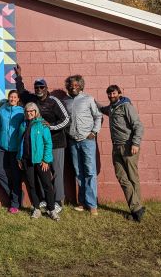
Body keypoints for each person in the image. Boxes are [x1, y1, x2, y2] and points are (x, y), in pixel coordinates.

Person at [14, 64, 70, 214]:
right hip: (38, 143)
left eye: (41, 87)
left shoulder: (54, 101)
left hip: (56, 142)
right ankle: (46, 199)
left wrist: (50, 126)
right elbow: (21, 92)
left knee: (56, 172)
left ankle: (58, 201)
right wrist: (19, 76)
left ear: (46, 88)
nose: (38, 89)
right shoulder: (33, 99)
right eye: (36, 87)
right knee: (41, 173)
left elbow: (66, 120)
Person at [100, 85, 146, 222]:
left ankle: (136, 210)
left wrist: (136, 143)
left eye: (113, 93)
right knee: (121, 176)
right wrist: (90, 100)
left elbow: (138, 125)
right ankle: (138, 207)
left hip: (128, 146)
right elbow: (102, 109)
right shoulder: (112, 108)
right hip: (116, 147)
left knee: (132, 177)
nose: (111, 96)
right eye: (109, 94)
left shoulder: (126, 106)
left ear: (119, 93)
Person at [63, 75, 102, 216]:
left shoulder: (88, 99)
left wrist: (94, 132)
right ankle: (82, 202)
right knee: (78, 172)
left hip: (87, 140)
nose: (73, 87)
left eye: (76, 85)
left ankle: (92, 205)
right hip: (73, 141)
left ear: (80, 86)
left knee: (90, 172)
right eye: (71, 85)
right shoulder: (65, 101)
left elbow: (98, 116)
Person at [16, 103, 59, 220]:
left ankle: (51, 209)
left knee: (47, 185)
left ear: (36, 112)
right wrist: (19, 158)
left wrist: (46, 160)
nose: (29, 113)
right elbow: (19, 143)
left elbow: (48, 143)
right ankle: (36, 208)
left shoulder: (42, 124)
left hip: (41, 161)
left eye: (31, 111)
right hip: (26, 160)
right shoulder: (22, 125)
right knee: (31, 185)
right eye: (27, 111)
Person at [0, 90, 25, 213]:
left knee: (16, 176)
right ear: (8, 98)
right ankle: (16, 194)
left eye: (15, 97)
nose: (12, 99)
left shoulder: (22, 113)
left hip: (15, 149)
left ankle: (15, 204)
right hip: (2, 147)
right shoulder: (2, 112)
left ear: (18, 99)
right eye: (11, 97)